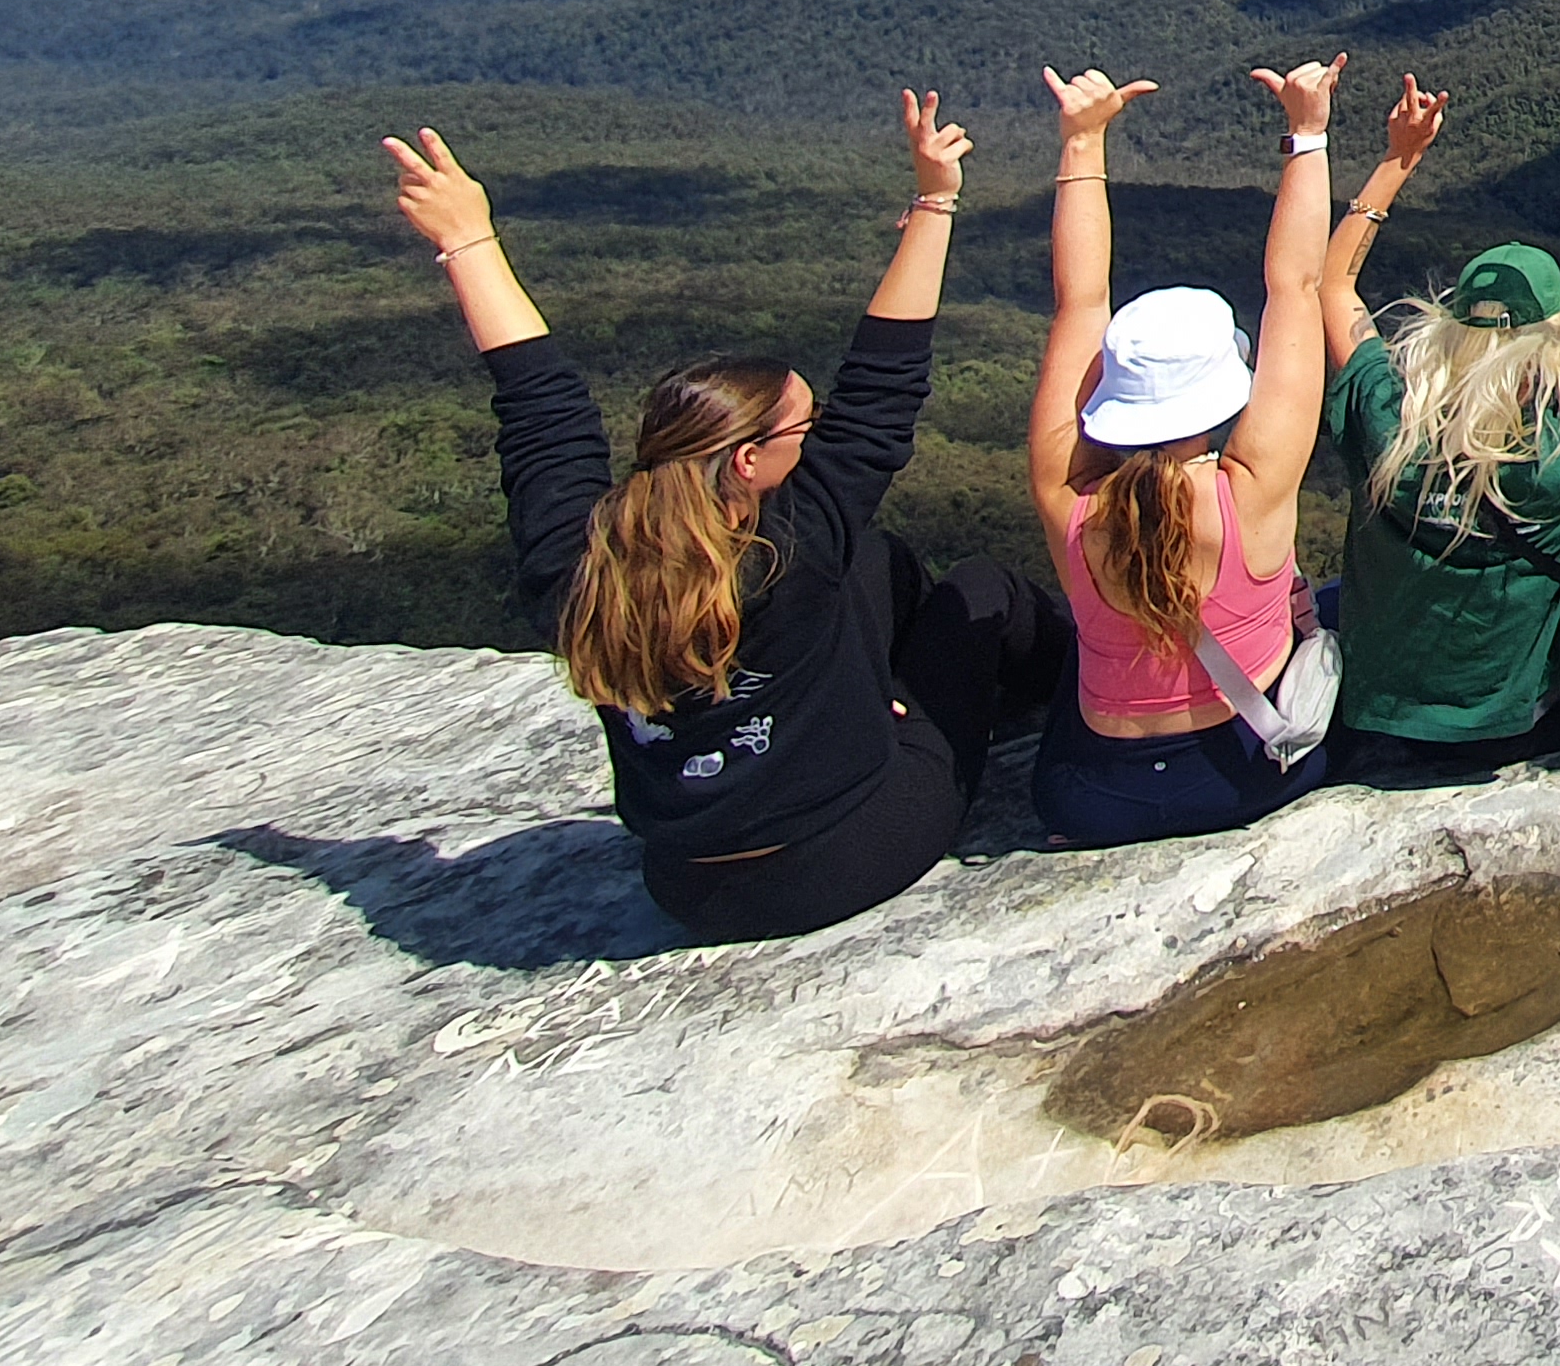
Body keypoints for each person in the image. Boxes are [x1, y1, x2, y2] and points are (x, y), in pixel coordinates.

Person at [393, 92, 1068, 941]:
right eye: (804, 430)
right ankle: (1113, 701)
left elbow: (542, 414)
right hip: (851, 849)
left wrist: (468, 242)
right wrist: (935, 202)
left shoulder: (579, 571)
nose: (817, 441)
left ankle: (860, 714)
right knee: (984, 591)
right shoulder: (793, 552)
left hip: (687, 884)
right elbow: (882, 386)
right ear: (749, 462)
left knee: (876, 559)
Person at [1316, 49, 1560, 783]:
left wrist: (1399, 158)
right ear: (1555, 340)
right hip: (1533, 724)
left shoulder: (1385, 415)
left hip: (1374, 727)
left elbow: (1332, 283)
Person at [1024, 56, 1341, 846]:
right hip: (1251, 771)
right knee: (1336, 604)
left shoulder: (1070, 499)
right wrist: (1307, 133)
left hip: (1094, 797)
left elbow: (1078, 304)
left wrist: (1082, 142)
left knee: (1078, 645)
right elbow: (1296, 285)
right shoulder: (1251, 490)